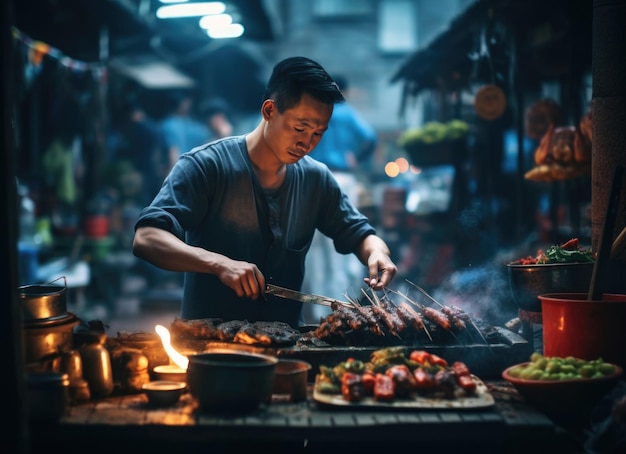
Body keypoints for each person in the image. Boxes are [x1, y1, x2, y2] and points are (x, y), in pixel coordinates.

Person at [132, 56, 397, 328]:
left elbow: (361, 234)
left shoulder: (316, 178)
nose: (306, 143)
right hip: (210, 348)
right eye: (299, 128)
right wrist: (218, 263)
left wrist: (377, 254)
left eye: (318, 133)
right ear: (270, 111)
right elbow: (146, 238)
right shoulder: (205, 165)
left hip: (288, 349)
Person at [302, 74, 378, 323]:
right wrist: (355, 155)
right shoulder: (346, 112)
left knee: (313, 249)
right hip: (342, 177)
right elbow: (370, 138)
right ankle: (344, 308)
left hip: (310, 177)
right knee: (345, 245)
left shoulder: (313, 111)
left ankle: (317, 313)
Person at [160, 91, 212, 173]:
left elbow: (173, 153)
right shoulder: (193, 125)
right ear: (182, 104)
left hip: (182, 172)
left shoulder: (168, 125)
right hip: (195, 171)